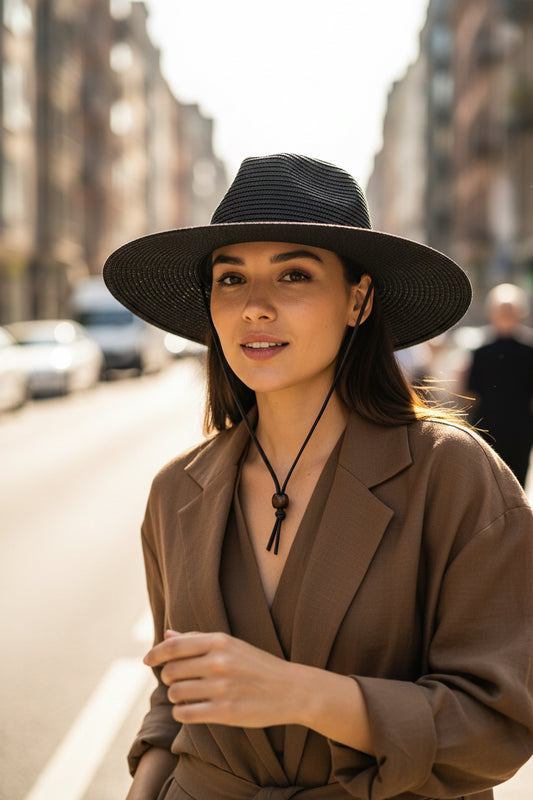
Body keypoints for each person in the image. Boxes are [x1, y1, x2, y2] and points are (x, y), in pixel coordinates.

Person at [103, 154, 533, 800]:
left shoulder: (454, 476)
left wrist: (299, 695)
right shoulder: (176, 492)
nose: (254, 307)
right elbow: (176, 701)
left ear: (357, 299)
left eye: (293, 274)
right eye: (230, 278)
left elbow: (499, 724)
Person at [467, 282, 533, 488]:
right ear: (492, 313)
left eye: (510, 311)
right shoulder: (481, 352)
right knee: (489, 485)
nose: (505, 316)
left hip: (520, 430)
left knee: (517, 484)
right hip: (488, 426)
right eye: (501, 311)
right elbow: (472, 391)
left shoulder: (529, 351)